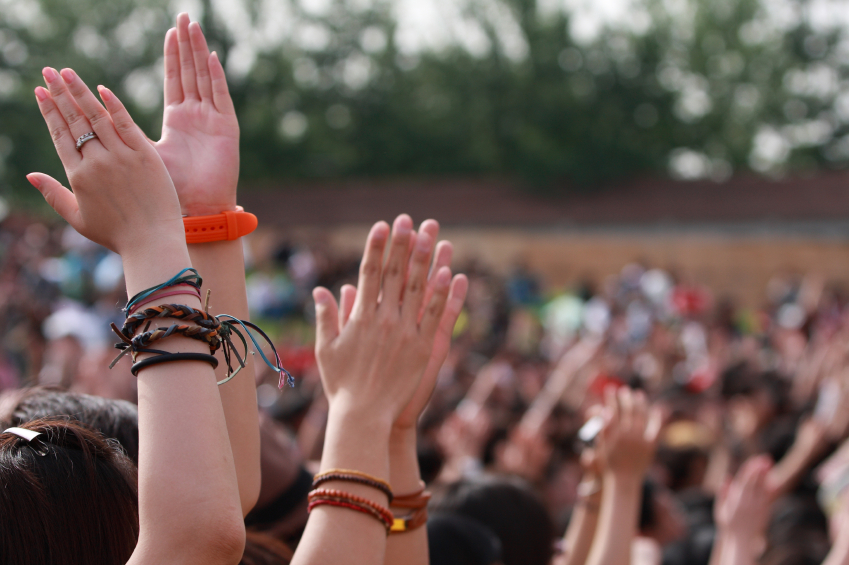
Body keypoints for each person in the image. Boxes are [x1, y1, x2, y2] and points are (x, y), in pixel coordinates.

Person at [7, 14, 468, 565]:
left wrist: (203, 219)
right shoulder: (193, 530)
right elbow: (198, 529)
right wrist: (150, 236)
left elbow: (227, 482)